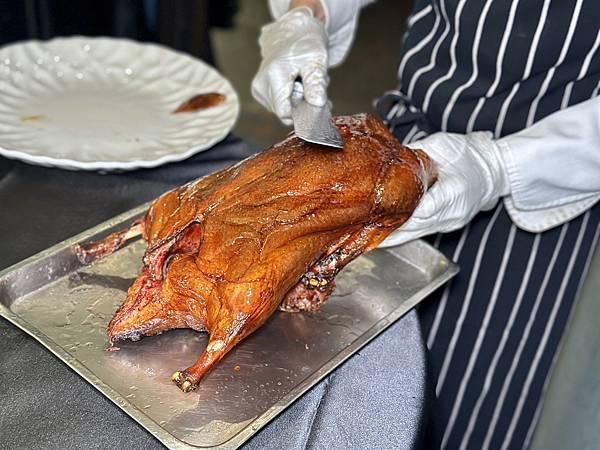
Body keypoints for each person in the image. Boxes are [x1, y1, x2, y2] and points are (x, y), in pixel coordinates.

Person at [250, 0, 600, 448]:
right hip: (402, 152)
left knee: (464, 414)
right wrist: (309, 12)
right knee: (327, 397)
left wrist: (501, 166)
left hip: (547, 198)